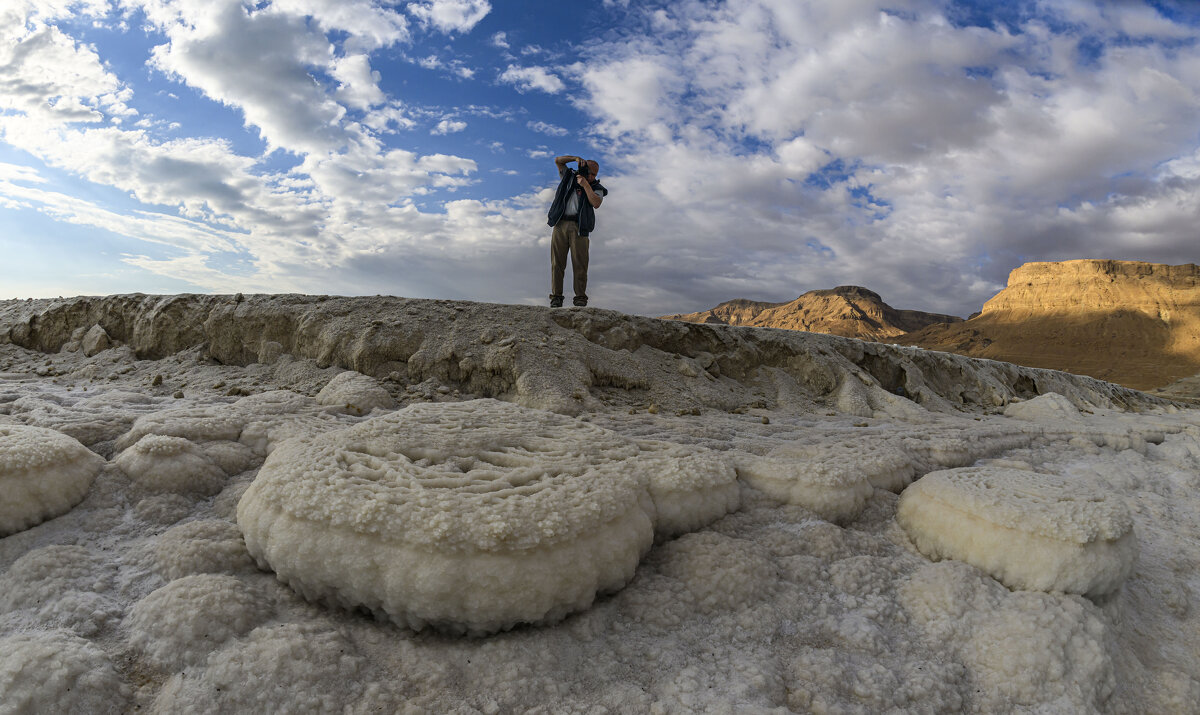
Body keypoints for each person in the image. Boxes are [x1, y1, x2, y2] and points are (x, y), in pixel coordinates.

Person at [547, 154, 608, 307]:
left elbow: (596, 203)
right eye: (590, 172)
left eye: (595, 174)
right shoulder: (568, 177)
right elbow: (558, 161)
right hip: (560, 224)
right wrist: (575, 158)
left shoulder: (596, 187)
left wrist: (586, 185)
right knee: (557, 263)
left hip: (580, 227)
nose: (593, 176)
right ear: (584, 168)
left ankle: (580, 298)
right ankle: (556, 297)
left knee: (580, 264)